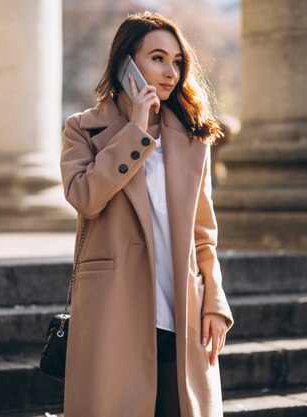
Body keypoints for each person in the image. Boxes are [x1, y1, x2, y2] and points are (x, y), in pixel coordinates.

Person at [60, 11, 234, 417]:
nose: (170, 72)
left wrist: (215, 301)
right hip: (114, 309)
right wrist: (135, 131)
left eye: (177, 62)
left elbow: (203, 233)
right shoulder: (82, 130)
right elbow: (85, 197)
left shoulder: (192, 138)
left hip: (182, 311)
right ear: (126, 64)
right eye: (157, 58)